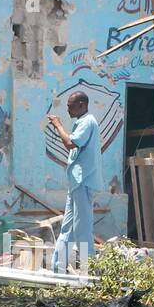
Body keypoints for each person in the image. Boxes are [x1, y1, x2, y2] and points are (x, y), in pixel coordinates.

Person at [46, 90, 101, 273]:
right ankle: (57, 269)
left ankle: (89, 270)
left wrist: (58, 125)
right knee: (67, 229)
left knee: (82, 228)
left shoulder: (87, 122)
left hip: (83, 180)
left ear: (82, 105)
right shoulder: (82, 122)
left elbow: (70, 143)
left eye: (70, 106)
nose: (68, 109)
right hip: (76, 181)